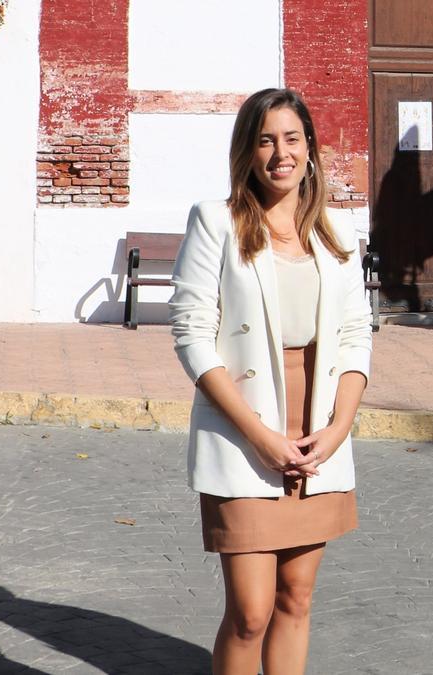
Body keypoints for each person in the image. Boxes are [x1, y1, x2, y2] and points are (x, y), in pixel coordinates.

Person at [169, 87, 372, 675]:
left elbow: (358, 333)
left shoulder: (337, 231)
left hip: (318, 435)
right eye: (265, 140)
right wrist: (259, 435)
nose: (280, 153)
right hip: (244, 431)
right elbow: (191, 336)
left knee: (296, 599)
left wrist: (339, 427)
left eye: (291, 138)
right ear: (247, 152)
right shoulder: (217, 222)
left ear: (310, 146)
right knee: (251, 612)